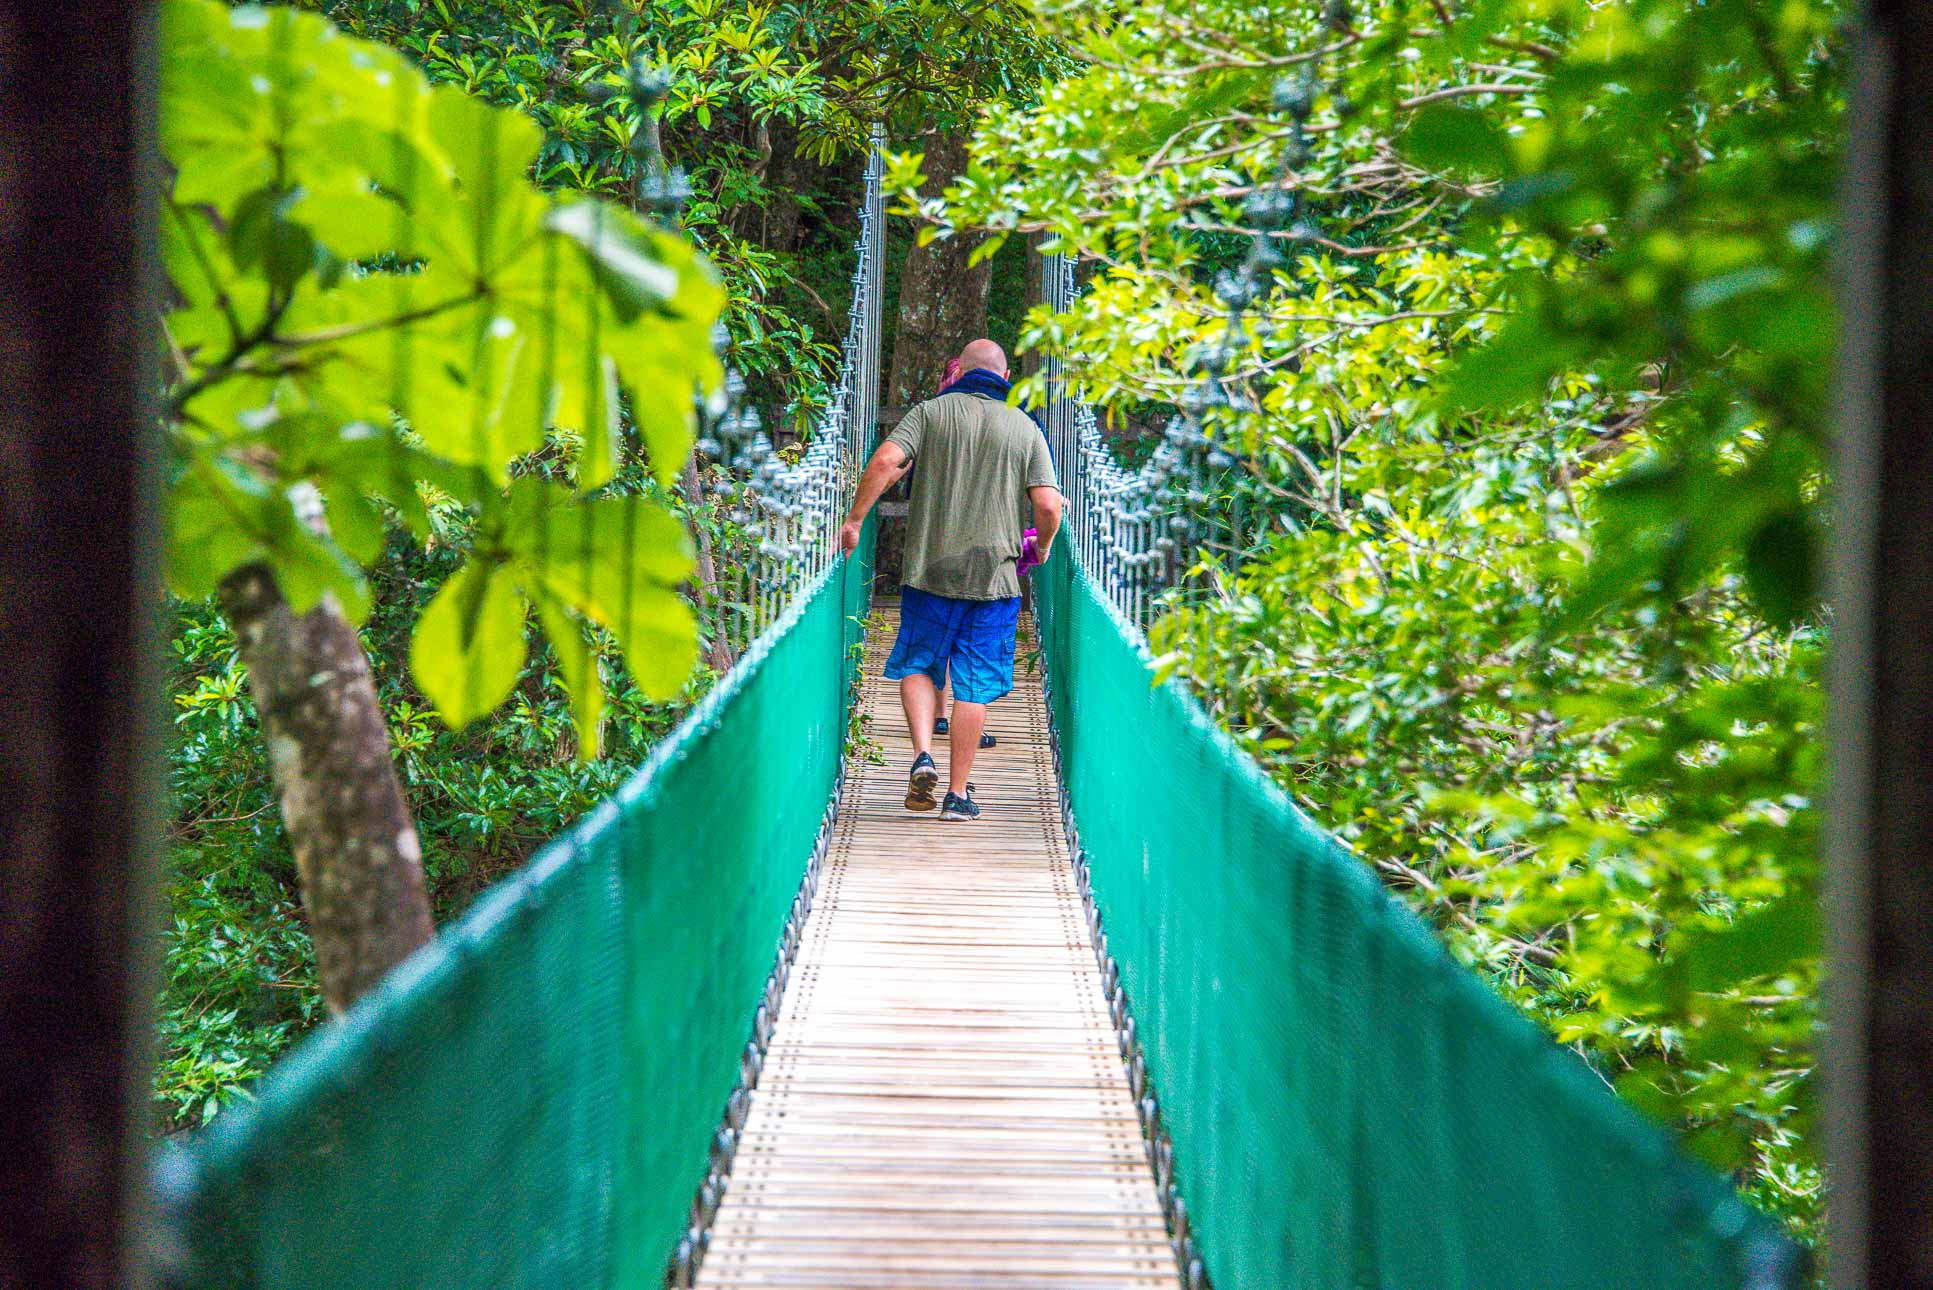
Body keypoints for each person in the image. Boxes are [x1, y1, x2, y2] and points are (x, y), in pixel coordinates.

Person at [839, 339, 1062, 821]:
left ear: (961, 372)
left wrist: (856, 519)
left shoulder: (929, 412)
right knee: (975, 688)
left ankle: (922, 754)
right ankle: (957, 795)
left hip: (929, 568)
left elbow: (884, 462)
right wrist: (1042, 547)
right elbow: (1048, 505)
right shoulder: (1025, 426)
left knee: (918, 663)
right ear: (1006, 378)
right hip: (994, 578)